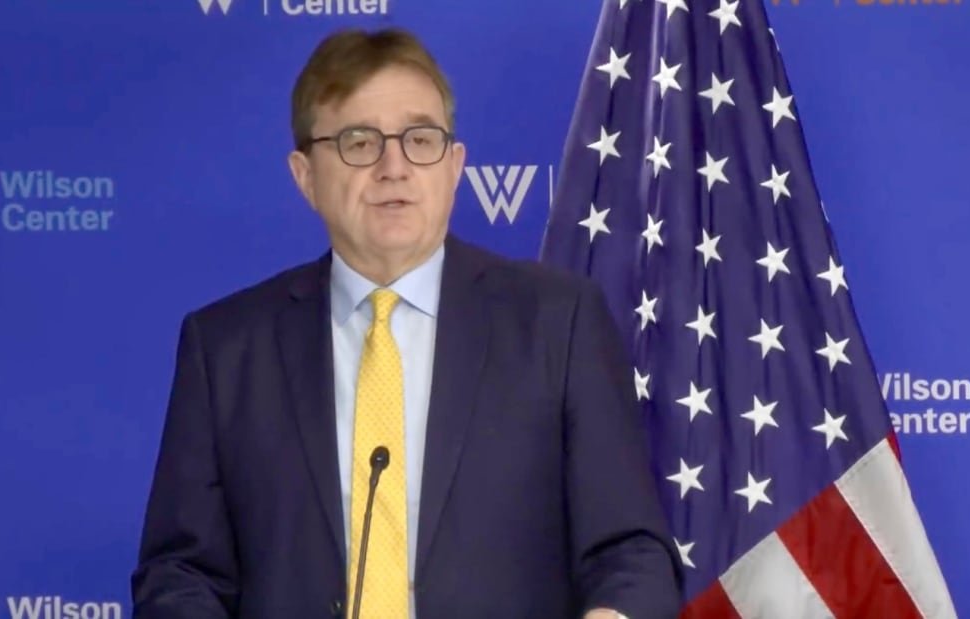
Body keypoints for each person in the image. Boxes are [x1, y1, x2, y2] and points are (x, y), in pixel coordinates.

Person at [131, 27, 682, 619]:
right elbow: (179, 572)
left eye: (420, 139)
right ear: (305, 175)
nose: (394, 166)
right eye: (359, 142)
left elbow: (631, 552)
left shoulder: (558, 323)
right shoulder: (226, 349)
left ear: (453, 166)